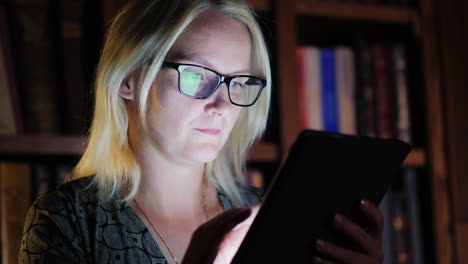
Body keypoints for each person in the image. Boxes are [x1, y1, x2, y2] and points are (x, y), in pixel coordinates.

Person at [19, 0, 384, 263]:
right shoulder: (67, 220)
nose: (223, 105)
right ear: (128, 78)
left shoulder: (271, 214)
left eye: (238, 82)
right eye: (196, 75)